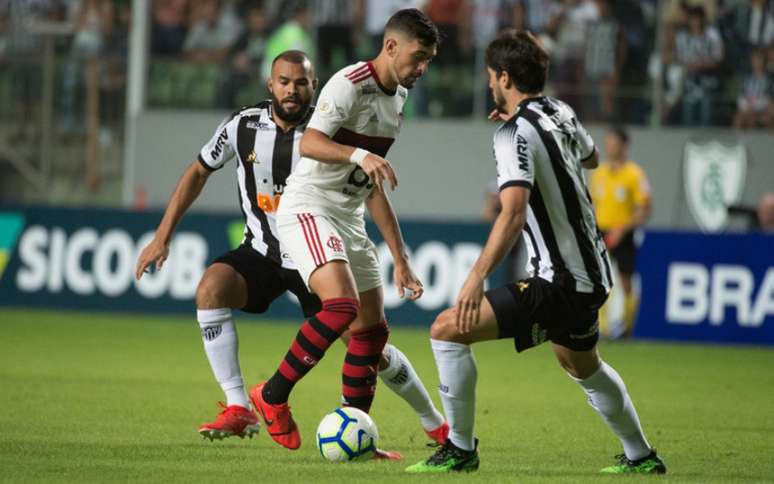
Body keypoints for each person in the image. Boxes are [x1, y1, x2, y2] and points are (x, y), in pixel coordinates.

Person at [134, 50, 447, 447]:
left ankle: (433, 420)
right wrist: (162, 236)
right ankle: (239, 406)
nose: (292, 90)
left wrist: (400, 257)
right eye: (284, 81)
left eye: (301, 82)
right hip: (262, 251)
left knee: (370, 348)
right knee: (211, 289)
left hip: (313, 252)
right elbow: (199, 169)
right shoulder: (242, 125)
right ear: (270, 85)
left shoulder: (329, 130)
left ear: (313, 87)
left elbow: (370, 192)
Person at [406, 31, 665, 474]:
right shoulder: (560, 110)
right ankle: (642, 457)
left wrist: (473, 279)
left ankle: (461, 450)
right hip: (593, 274)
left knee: (447, 329)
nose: (490, 84)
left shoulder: (513, 133)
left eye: (492, 77)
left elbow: (512, 214)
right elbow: (593, 158)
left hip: (559, 279)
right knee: (581, 364)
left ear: (505, 77)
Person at [250, 9, 442, 456]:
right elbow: (311, 142)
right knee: (340, 307)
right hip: (309, 206)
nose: (422, 68)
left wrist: (401, 257)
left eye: (429, 60)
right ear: (391, 47)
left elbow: (371, 183)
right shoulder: (349, 83)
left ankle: (358, 433)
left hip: (349, 216)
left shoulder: (398, 101)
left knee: (372, 334)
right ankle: (272, 395)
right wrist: (358, 155)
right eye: (418, 57)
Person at [589, 126, 651, 338]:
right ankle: (601, 329)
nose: (609, 147)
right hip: (601, 232)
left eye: (613, 143)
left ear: (624, 145)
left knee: (626, 282)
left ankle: (626, 329)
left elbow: (644, 208)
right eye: (607, 143)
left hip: (623, 232)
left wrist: (623, 229)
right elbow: (591, 205)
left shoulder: (635, 174)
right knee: (598, 282)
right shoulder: (599, 173)